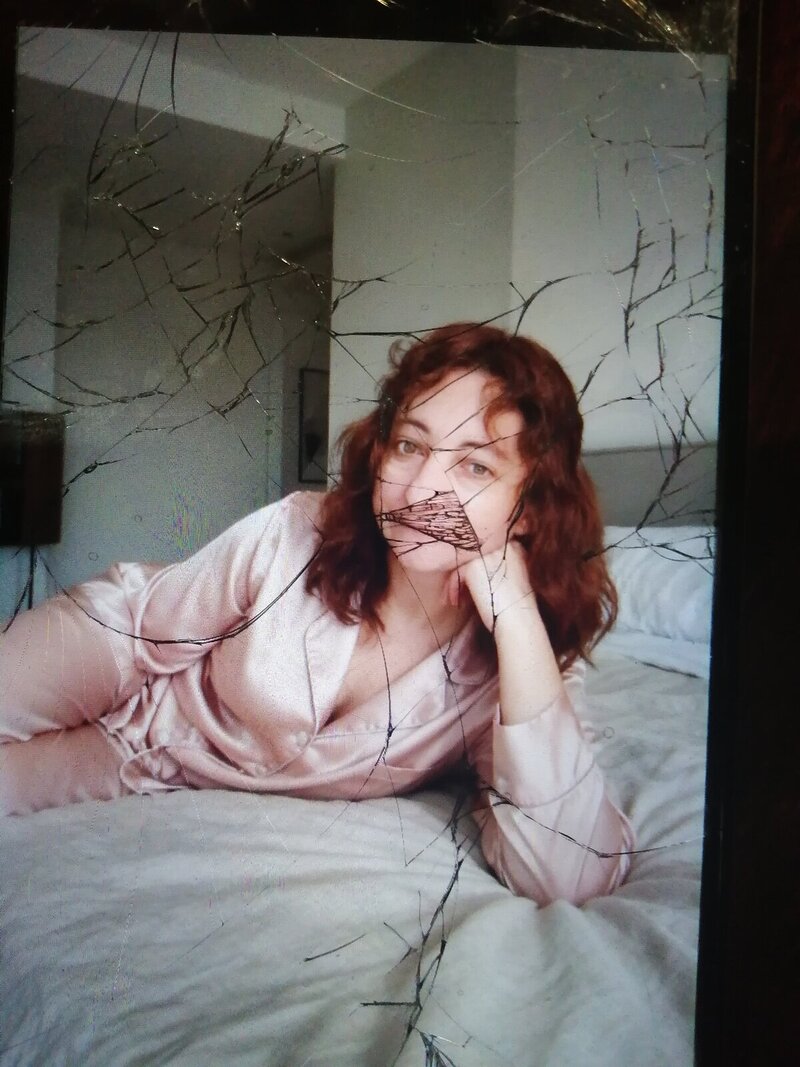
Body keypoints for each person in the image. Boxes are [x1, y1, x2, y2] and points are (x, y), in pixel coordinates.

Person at [0, 322, 634, 905]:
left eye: (475, 465)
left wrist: (517, 619)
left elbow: (570, 874)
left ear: (530, 507)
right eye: (409, 445)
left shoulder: (520, 669)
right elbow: (138, 631)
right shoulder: (296, 533)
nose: (420, 492)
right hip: (116, 646)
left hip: (141, 764)